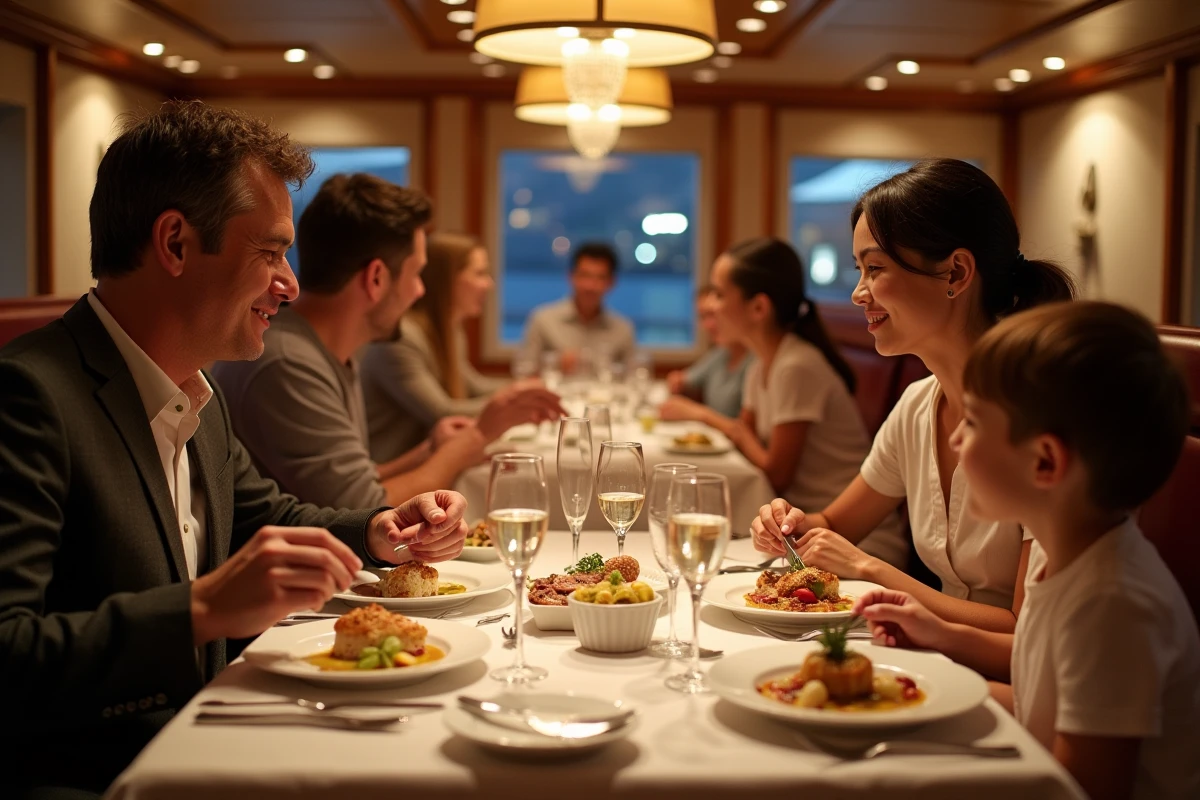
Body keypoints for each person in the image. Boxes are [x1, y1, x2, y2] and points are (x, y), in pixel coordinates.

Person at [0, 101, 468, 798]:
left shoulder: (195, 391)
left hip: (210, 740)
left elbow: (262, 512)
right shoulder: (30, 396)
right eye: (270, 252)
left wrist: (379, 529)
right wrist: (200, 610)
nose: (291, 284)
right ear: (177, 244)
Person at [854, 301, 1200, 800]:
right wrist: (940, 638)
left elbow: (1084, 787)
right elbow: (1042, 697)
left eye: (972, 423)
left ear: (1044, 462)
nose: (953, 437)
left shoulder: (1114, 602)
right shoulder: (1061, 551)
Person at [753, 159, 1076, 631]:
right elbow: (837, 527)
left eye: (875, 268)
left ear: (956, 273)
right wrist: (789, 526)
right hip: (932, 653)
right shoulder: (918, 406)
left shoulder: (1047, 422)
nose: (859, 294)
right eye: (859, 270)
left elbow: (1025, 631)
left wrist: (871, 570)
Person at [212, 180, 559, 508]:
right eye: (415, 275)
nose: (420, 291)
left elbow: (350, 485)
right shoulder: (288, 364)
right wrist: (477, 435)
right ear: (377, 278)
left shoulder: (320, 350)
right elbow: (365, 513)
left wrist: (428, 452)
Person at [659, 238, 907, 568]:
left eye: (719, 294)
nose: (711, 306)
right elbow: (743, 433)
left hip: (858, 538)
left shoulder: (796, 365)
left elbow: (777, 472)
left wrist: (718, 423)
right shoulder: (762, 362)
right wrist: (736, 431)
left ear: (759, 308)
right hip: (800, 528)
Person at [360, 231, 564, 464]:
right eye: (479, 273)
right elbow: (443, 412)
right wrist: (515, 402)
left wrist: (525, 388)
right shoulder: (401, 339)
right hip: (393, 472)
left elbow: (473, 385)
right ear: (446, 279)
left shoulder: (449, 330)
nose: (489, 283)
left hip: (433, 461)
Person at [520, 241, 635, 374]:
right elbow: (524, 372)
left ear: (611, 282)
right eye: (585, 275)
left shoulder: (623, 328)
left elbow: (632, 377)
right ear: (571, 277)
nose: (590, 286)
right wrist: (556, 364)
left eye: (599, 278)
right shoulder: (543, 320)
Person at [664, 285, 752, 419]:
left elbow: (743, 433)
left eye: (713, 314)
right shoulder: (721, 354)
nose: (708, 325)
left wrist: (697, 413)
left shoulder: (756, 360)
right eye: (703, 317)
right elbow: (682, 380)